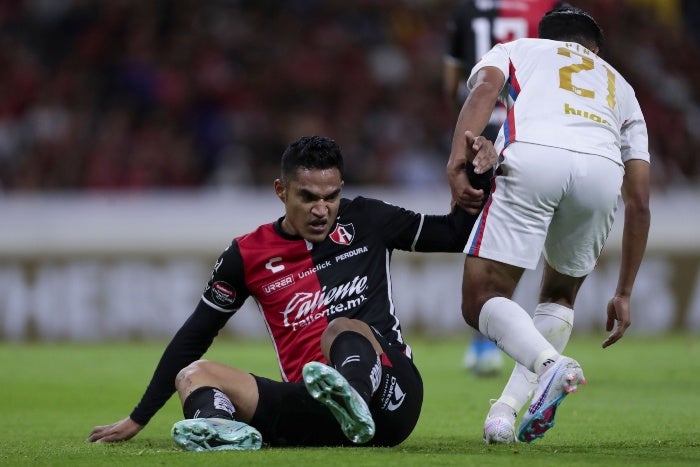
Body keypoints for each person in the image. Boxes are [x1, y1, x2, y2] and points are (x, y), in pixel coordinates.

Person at [87, 134, 497, 450]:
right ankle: (220, 430)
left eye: (331, 196)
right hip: (311, 408)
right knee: (193, 374)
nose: (322, 209)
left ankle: (351, 395)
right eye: (308, 197)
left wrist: (479, 171)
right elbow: (196, 333)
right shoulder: (246, 254)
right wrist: (139, 417)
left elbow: (456, 232)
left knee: (339, 327)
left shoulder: (368, 219)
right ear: (281, 191)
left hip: (392, 399)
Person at [446, 5, 650, 444]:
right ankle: (503, 413)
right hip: (602, 171)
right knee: (558, 295)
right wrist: (624, 291)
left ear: (546, 35)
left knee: (481, 297)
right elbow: (640, 201)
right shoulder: (621, 85)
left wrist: (456, 162)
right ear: (593, 49)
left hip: (534, 156)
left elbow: (484, 89)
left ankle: (549, 365)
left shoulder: (519, 48)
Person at [444, 0, 563, 377]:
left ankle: (485, 342)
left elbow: (451, 85)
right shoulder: (549, 7)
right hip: (532, 131)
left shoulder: (466, 12)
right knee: (533, 237)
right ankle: (538, 334)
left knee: (484, 232)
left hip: (480, 129)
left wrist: (471, 123)